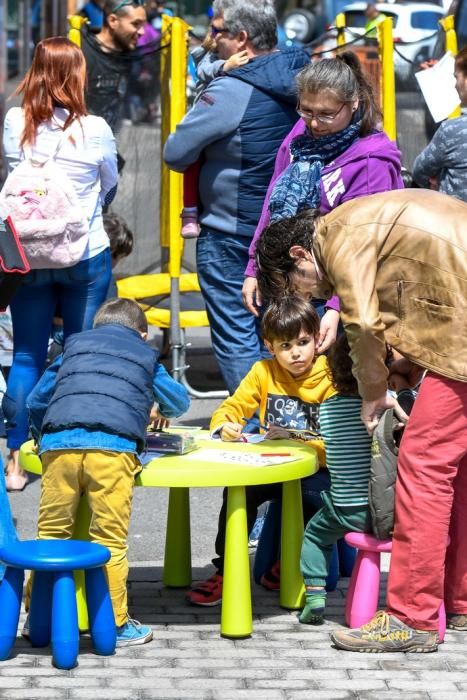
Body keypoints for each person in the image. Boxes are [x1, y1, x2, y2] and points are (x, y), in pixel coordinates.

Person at [255, 188, 467, 652]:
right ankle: (460, 600)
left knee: (423, 464)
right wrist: (409, 362)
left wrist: (374, 392)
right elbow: (424, 292)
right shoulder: (364, 219)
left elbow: (364, 322)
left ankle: (411, 617)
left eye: (299, 286)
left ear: (299, 254)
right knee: (457, 470)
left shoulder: (340, 236)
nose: (311, 295)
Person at [164, 0, 310, 394]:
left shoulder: (232, 89)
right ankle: (284, 421)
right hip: (290, 229)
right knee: (285, 330)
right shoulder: (301, 74)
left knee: (237, 332)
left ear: (241, 38)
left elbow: (175, 153)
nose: (210, 38)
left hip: (232, 231)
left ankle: (252, 426)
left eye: (217, 30)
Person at [26, 297, 190, 646]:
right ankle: (116, 624)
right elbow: (180, 401)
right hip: (112, 451)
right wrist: (152, 401)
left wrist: (42, 437)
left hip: (59, 447)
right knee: (109, 542)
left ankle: (36, 616)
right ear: (142, 334)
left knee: (51, 535)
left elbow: (36, 400)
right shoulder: (144, 355)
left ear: (96, 327)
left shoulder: (73, 346)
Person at [2, 37, 118, 492]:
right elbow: (109, 184)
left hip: (27, 256)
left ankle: (15, 462)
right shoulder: (97, 129)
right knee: (79, 354)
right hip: (84, 253)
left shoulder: (15, 123)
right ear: (77, 75)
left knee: (27, 354)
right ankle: (68, 453)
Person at [242, 53, 403, 353]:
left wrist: (334, 308)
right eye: (306, 110)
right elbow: (272, 199)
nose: (315, 123)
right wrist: (255, 267)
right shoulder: (299, 135)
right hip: (289, 279)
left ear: (353, 102)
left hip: (342, 294)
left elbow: (363, 246)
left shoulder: (371, 162)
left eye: (327, 114)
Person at [186, 295, 336, 606]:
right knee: (237, 493)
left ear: (317, 338)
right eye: (285, 346)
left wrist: (295, 438)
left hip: (317, 470)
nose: (296, 352)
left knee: (314, 501)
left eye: (303, 342)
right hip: (272, 466)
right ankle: (227, 570)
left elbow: (337, 443)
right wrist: (225, 425)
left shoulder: (331, 377)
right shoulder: (262, 371)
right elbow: (231, 407)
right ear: (270, 346)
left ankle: (297, 561)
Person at [299, 334, 372, 625]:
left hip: (343, 508)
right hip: (386, 510)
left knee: (315, 536)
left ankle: (315, 597)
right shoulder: (384, 403)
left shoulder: (327, 409)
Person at [181, 31, 249, 239]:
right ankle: (190, 212)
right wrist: (225, 66)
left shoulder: (248, 52)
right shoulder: (211, 55)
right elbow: (201, 70)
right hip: (207, 115)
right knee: (193, 162)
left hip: (235, 117)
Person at [80, 0, 146, 135]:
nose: (142, 32)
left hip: (108, 144)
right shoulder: (82, 53)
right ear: (113, 21)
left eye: (143, 25)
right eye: (136, 24)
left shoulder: (129, 55)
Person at [412, 47, 467, 201]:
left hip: (455, 221)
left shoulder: (452, 130)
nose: (455, 85)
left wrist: (432, 185)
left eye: (456, 77)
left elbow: (419, 171)